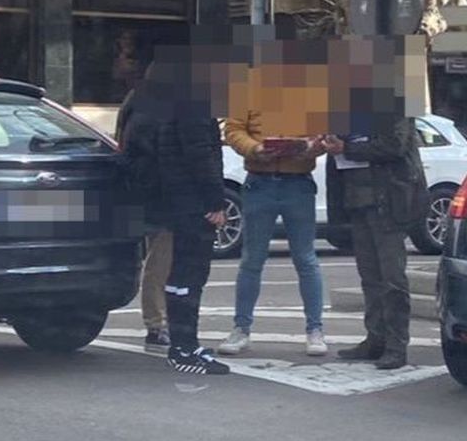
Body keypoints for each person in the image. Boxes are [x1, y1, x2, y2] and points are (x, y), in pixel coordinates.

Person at [120, 51, 230, 375]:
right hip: (192, 202)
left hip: (172, 200)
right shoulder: (193, 107)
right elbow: (200, 156)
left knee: (179, 274)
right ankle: (185, 347)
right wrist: (215, 202)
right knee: (190, 276)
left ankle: (182, 343)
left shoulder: (163, 106)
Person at [220, 84, 329, 358]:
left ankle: (315, 329)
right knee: (252, 259)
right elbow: (233, 129)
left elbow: (324, 135)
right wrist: (255, 148)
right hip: (260, 182)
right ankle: (241, 328)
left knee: (305, 258)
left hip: (297, 183)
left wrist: (311, 147)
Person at [324, 116, 429, 371]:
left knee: (392, 277)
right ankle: (375, 338)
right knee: (370, 276)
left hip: (389, 201)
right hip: (356, 199)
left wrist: (347, 148)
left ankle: (396, 345)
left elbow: (395, 145)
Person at [116, 81, 172, 355]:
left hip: (145, 191)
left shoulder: (137, 101)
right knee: (161, 262)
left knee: (158, 260)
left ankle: (158, 323)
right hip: (160, 193)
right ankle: (158, 324)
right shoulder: (155, 110)